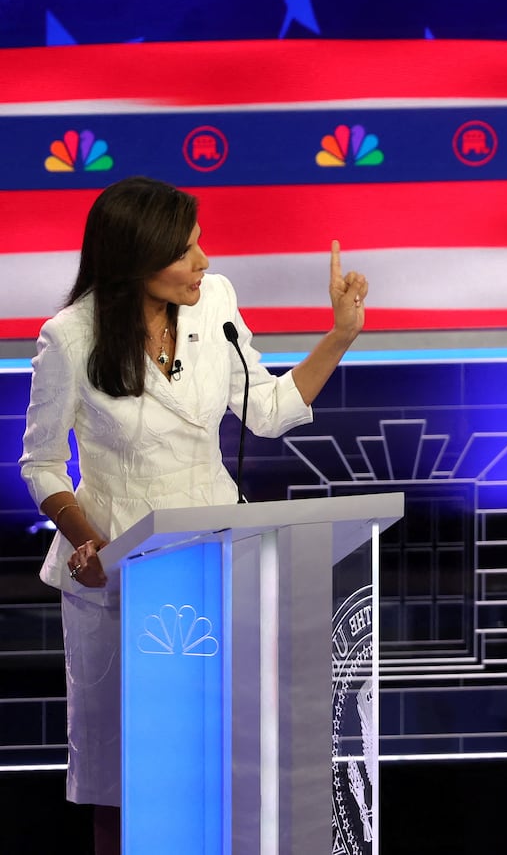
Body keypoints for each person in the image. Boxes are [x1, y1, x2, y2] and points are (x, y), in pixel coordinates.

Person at [19, 176, 369, 854]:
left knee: (220, 771)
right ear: (133, 261)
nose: (203, 261)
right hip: (118, 581)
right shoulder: (68, 338)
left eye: (199, 242)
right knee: (126, 788)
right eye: (185, 251)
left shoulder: (216, 304)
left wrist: (341, 335)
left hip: (212, 564)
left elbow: (266, 411)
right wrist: (89, 546)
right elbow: (40, 465)